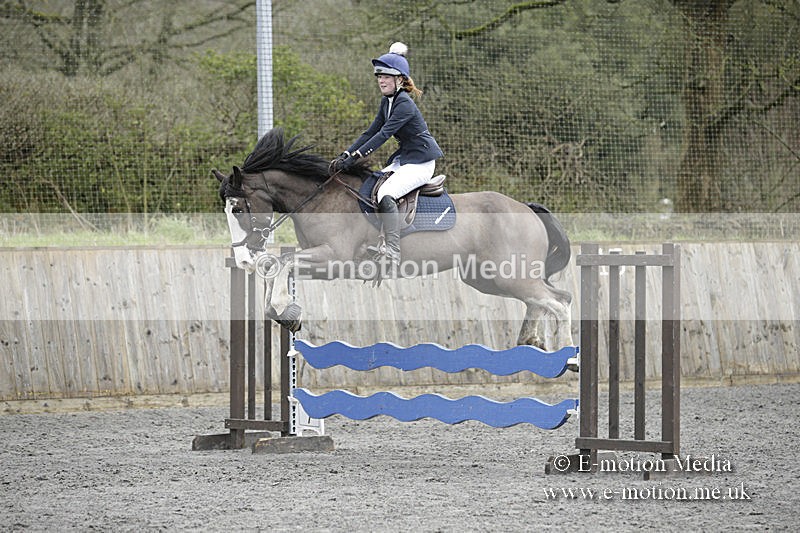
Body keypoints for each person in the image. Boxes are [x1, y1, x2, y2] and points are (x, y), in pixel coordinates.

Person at [331, 42, 444, 268]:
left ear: (399, 80)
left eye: (386, 77)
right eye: (379, 76)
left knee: (386, 193)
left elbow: (383, 135)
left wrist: (356, 157)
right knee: (371, 186)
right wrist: (345, 153)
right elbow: (370, 132)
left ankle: (393, 250)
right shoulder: (387, 102)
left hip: (421, 163)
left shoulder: (404, 104)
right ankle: (377, 239)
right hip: (406, 160)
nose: (381, 81)